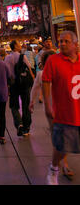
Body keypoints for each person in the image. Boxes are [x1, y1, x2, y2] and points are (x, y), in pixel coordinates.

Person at [42, 31, 80, 185]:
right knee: (61, 147)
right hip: (64, 113)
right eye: (60, 41)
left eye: (66, 41)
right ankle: (54, 169)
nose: (62, 44)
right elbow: (45, 81)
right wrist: (47, 104)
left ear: (75, 44)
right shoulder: (53, 60)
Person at [5, 40, 35, 136]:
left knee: (14, 105)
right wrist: (32, 81)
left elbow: (7, 72)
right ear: (15, 46)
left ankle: (19, 124)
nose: (20, 46)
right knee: (26, 104)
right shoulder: (22, 56)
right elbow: (29, 68)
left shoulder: (8, 58)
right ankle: (26, 127)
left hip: (13, 84)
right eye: (18, 44)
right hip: (24, 84)